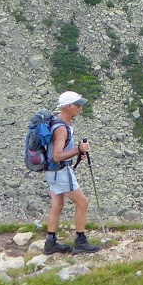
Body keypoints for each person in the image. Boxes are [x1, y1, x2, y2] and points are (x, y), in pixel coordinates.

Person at [43, 91, 101, 256]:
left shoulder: (57, 123)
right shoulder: (62, 128)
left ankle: (50, 243)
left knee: (57, 205)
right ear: (68, 106)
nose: (80, 108)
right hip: (61, 171)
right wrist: (78, 149)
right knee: (82, 202)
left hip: (52, 171)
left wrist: (77, 153)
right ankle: (80, 242)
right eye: (77, 105)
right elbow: (57, 156)